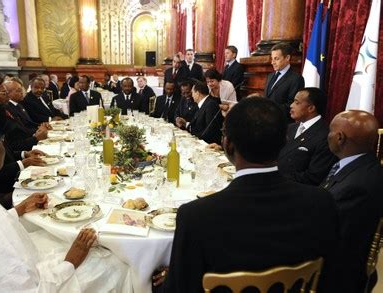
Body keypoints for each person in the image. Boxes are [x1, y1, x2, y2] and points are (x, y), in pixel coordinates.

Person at [153, 97, 338, 293]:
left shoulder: (195, 216)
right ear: (284, 142)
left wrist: (170, 272)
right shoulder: (322, 201)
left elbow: (179, 288)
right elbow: (331, 275)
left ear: (228, 145)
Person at [0, 114, 132, 292]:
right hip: (42, 279)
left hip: (15, 263)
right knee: (117, 263)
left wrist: (19, 209)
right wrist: (71, 261)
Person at [323, 110, 383, 293]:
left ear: (339, 138)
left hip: (336, 276)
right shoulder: (363, 165)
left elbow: (329, 235)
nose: (328, 136)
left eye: (330, 132)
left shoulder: (357, 186)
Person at [278, 88, 337, 185]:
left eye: (297, 102)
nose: (291, 105)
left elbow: (314, 177)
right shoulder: (290, 128)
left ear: (311, 108)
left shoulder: (325, 136)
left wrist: (276, 179)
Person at [264, 42, 304, 122]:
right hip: (267, 120)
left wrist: (269, 108)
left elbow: (293, 104)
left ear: (287, 58)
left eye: (276, 59)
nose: (272, 62)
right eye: (272, 59)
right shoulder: (270, 76)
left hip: (283, 122)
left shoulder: (296, 78)